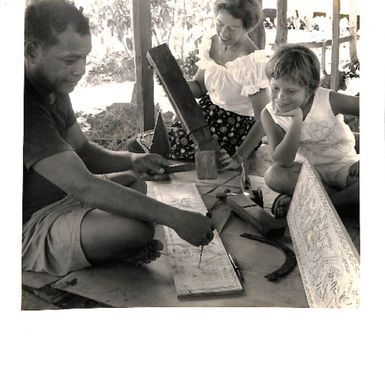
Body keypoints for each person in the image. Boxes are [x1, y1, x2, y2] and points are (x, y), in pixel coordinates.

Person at [23, 0, 215, 277]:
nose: (81, 69)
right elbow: (85, 187)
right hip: (33, 222)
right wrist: (178, 219)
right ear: (32, 50)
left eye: (84, 57)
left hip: (67, 195)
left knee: (134, 181)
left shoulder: (54, 88)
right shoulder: (22, 103)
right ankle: (106, 248)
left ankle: (102, 247)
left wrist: (133, 160)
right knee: (138, 230)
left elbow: (82, 149)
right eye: (70, 60)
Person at [167, 0, 269, 170]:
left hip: (233, 128)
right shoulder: (211, 43)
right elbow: (199, 87)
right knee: (157, 141)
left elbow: (265, 119)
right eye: (220, 24)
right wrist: (172, 83)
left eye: (232, 28)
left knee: (168, 148)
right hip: (204, 116)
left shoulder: (251, 64)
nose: (224, 33)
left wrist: (238, 157)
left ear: (247, 28)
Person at [260, 44, 359, 218]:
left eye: (291, 91)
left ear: (311, 89)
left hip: (345, 166)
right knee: (274, 175)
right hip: (307, 173)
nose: (281, 97)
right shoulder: (269, 114)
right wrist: (296, 121)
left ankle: (320, 206)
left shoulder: (328, 99)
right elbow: (282, 160)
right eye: (275, 88)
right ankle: (341, 205)